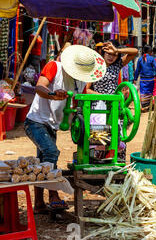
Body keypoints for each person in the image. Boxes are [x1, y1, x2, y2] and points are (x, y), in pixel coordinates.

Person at [24, 44, 106, 213]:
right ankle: (54, 195)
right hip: (36, 121)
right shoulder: (54, 66)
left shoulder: (82, 79)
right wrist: (53, 94)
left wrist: (107, 99)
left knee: (42, 162)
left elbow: (80, 99)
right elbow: (39, 87)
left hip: (52, 125)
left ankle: (39, 204)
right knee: (51, 153)